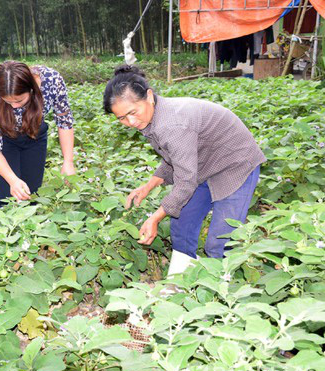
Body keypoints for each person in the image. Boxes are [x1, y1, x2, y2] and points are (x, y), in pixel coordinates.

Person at [103, 65, 266, 288]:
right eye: (121, 118)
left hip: (235, 165)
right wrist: (148, 186)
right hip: (204, 166)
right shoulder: (153, 117)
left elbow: (186, 180)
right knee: (182, 226)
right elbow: (175, 158)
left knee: (220, 242)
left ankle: (222, 299)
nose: (130, 122)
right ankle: (181, 286)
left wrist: (155, 218)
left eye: (133, 113)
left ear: (149, 96)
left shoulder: (171, 123)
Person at [0, 61, 76, 205]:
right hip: (5, 141)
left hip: (35, 137)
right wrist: (13, 180)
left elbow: (64, 121)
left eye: (19, 100)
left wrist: (68, 162)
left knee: (32, 194)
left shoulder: (52, 80)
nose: (14, 106)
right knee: (9, 197)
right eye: (8, 101)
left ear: (31, 89)